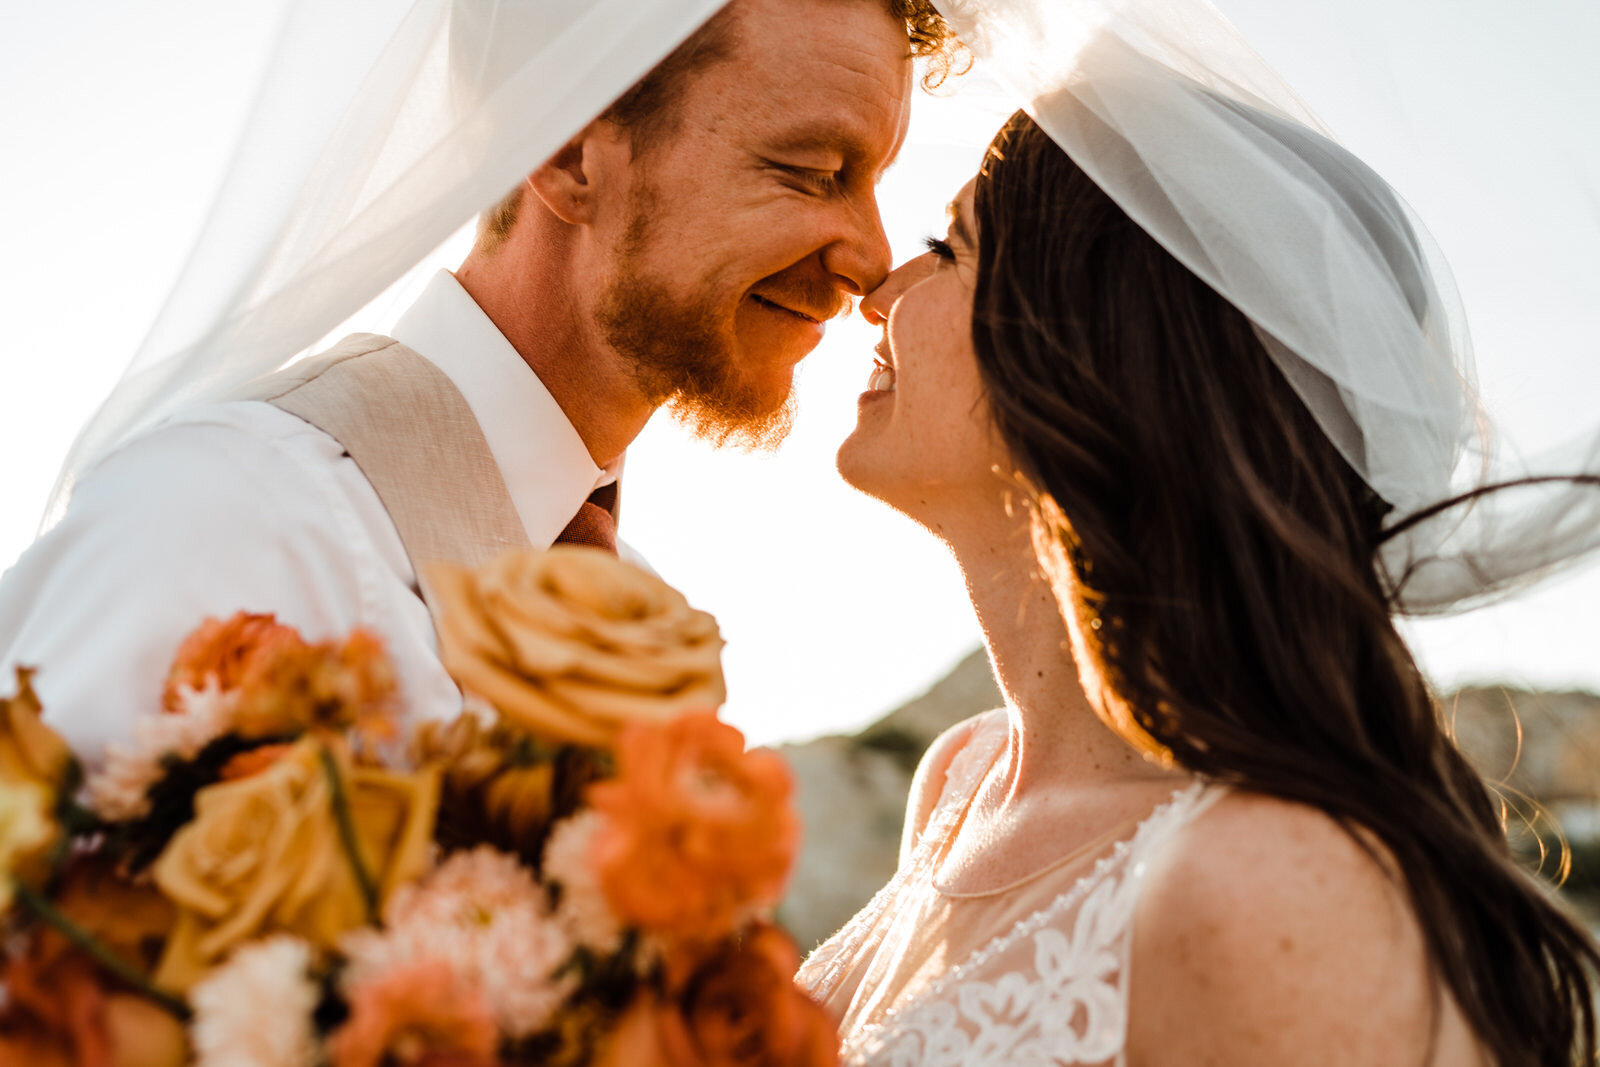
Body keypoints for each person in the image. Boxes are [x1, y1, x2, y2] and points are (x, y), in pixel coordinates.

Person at [799, 99, 1600, 1066]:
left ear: (1104, 354)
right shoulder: (960, 782)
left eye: (953, 245)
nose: (880, 290)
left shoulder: (1274, 884)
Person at [0, 0, 957, 763]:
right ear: (568, 153)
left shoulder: (646, 632)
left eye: (873, 182)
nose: (870, 260)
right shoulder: (232, 515)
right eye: (813, 170)